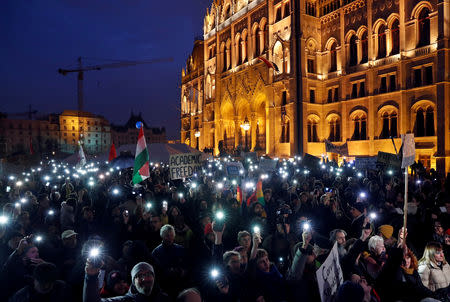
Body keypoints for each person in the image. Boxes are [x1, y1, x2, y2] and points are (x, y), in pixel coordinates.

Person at [84, 261, 169, 302]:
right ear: (133, 282)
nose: (145, 279)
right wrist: (91, 277)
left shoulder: (165, 299)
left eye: (148, 274)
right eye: (139, 276)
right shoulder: (125, 301)